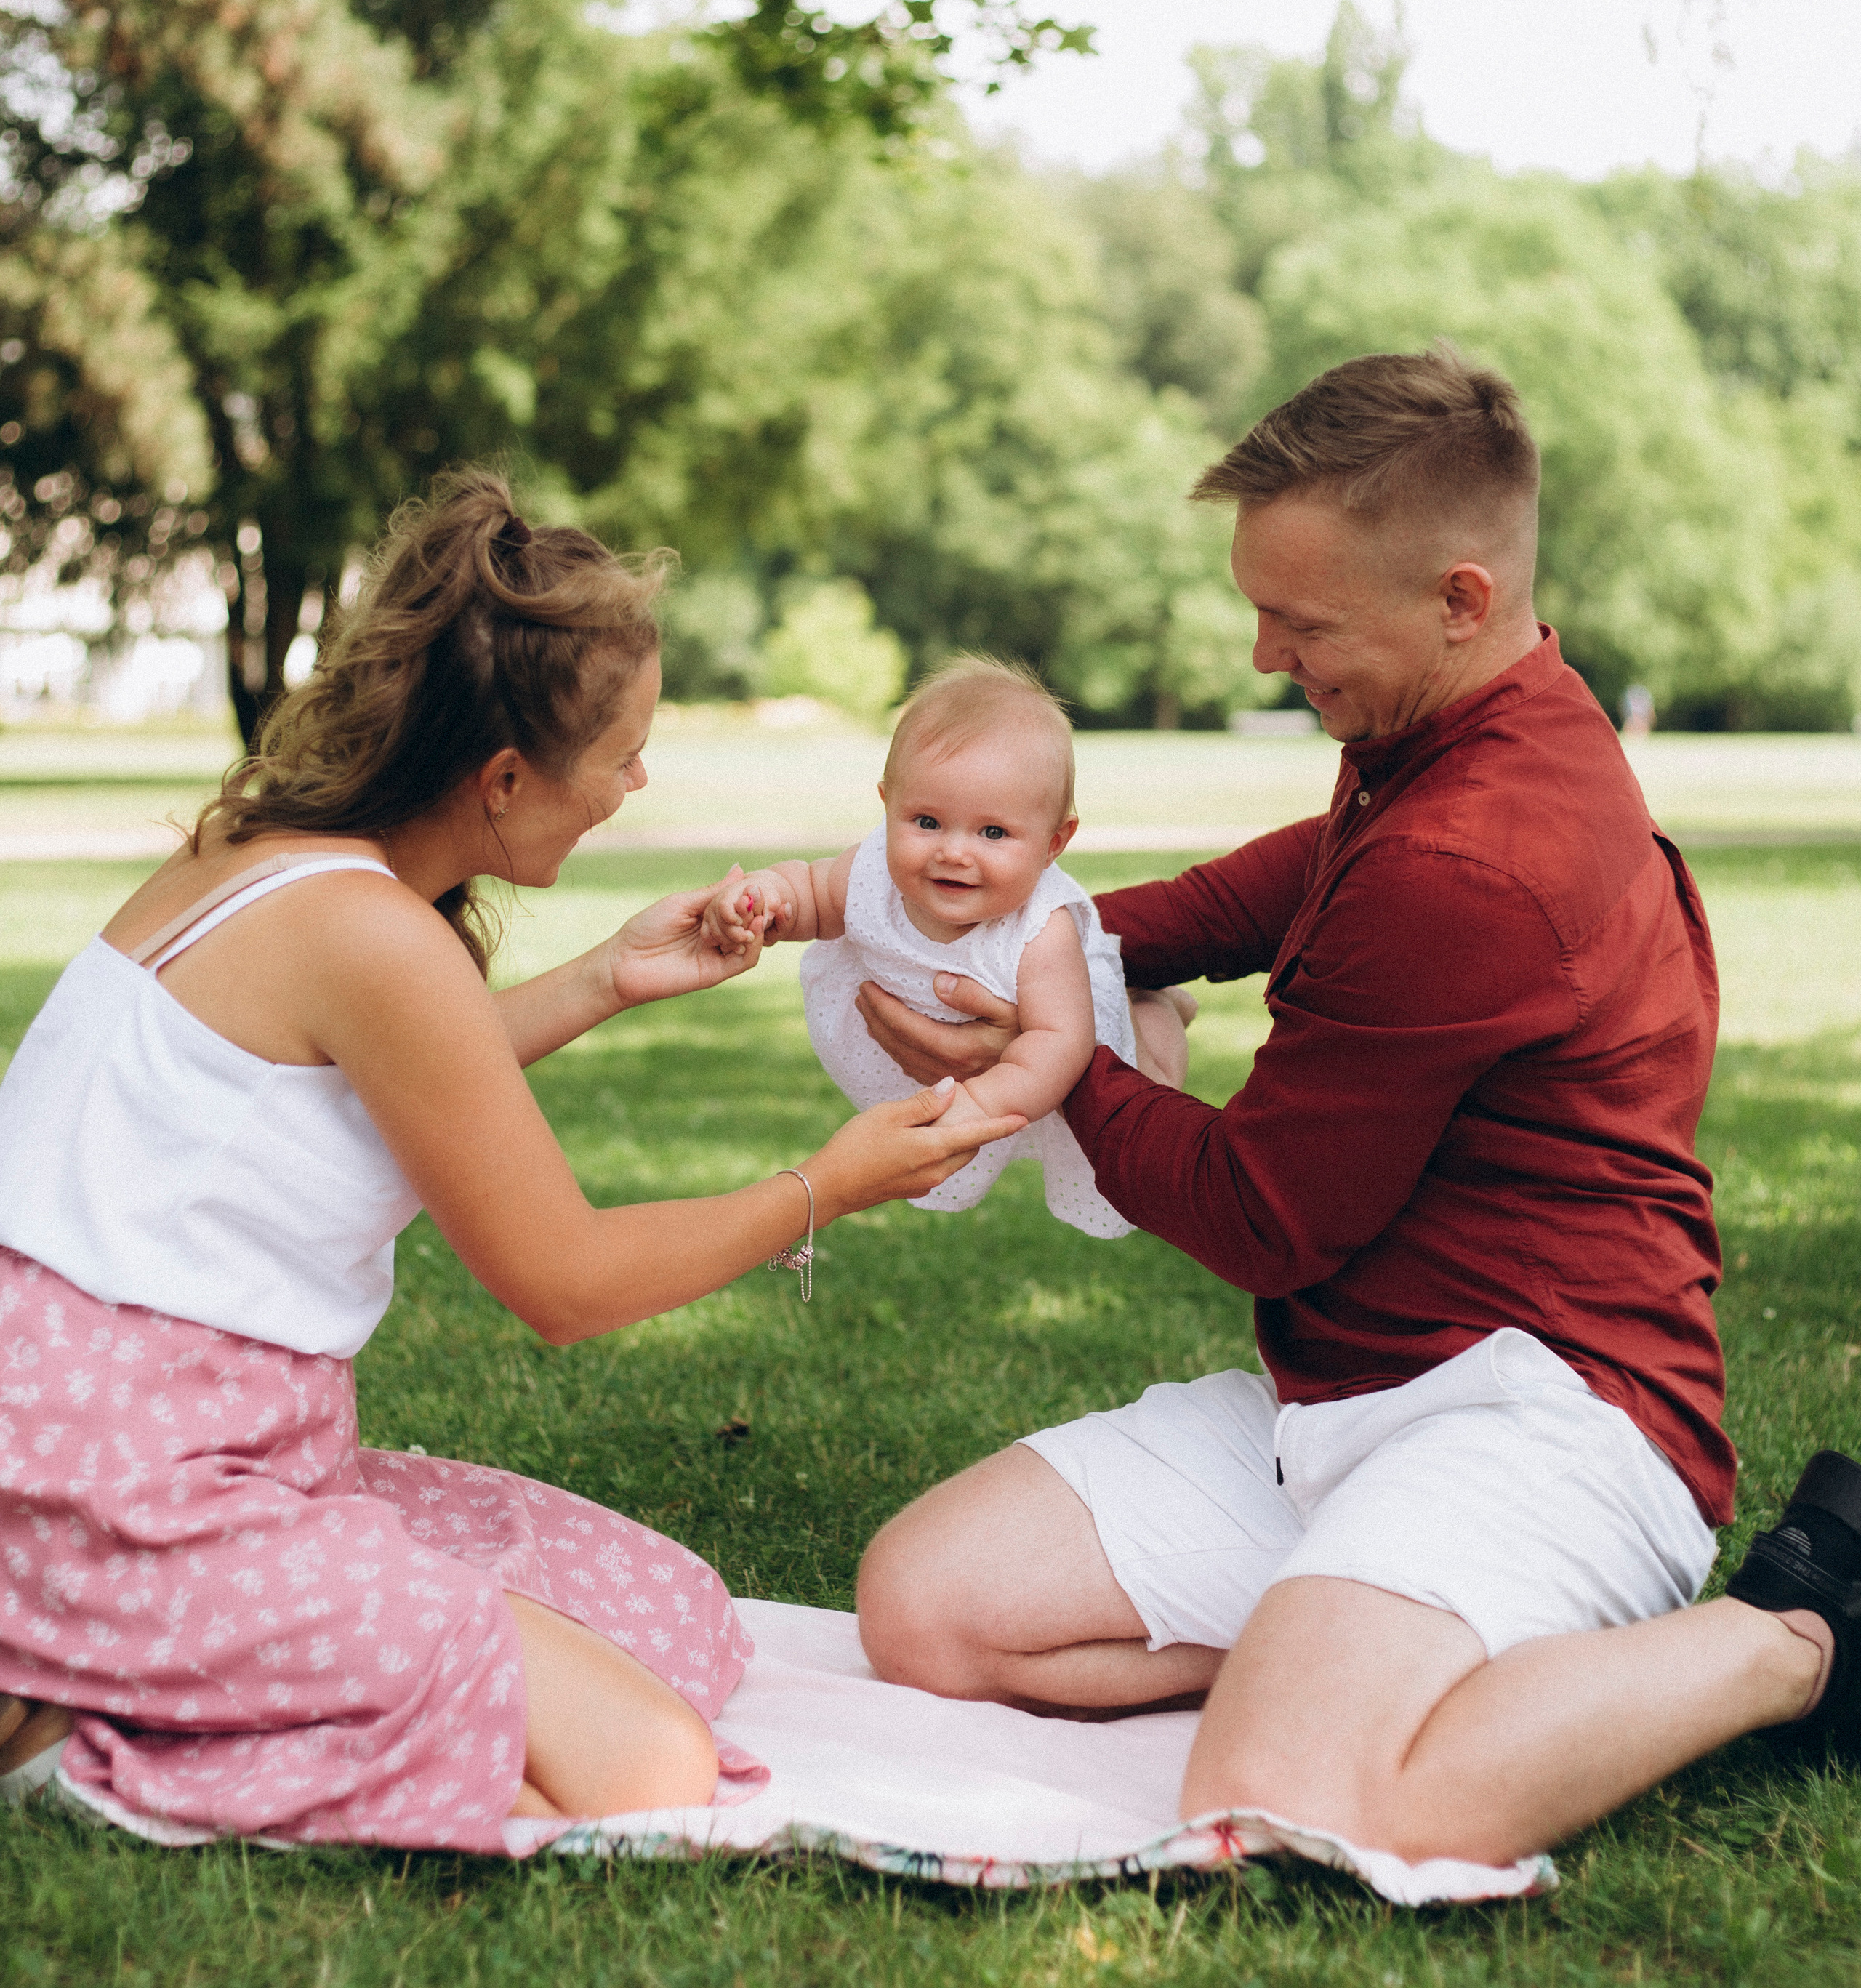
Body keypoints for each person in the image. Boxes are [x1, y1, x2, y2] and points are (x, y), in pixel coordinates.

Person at [851, 345, 1861, 1867]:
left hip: (1554, 1420)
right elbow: (1245, 893)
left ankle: (1793, 1637)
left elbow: (1267, 1217)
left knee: (1292, 1807)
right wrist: (996, 939)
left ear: (1458, 597)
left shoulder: (1475, 852)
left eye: (1299, 620)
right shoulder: (1424, 740)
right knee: (924, 1610)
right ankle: (1368, 1641)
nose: (1263, 654)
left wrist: (1055, 1064)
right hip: (1352, 1406)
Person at [0, 478, 1018, 1847]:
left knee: (671, 1613)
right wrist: (822, 1185)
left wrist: (608, 978)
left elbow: (366, 1083)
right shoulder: (371, 936)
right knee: (647, 1766)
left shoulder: (268, 860)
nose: (636, 782)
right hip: (112, 1490)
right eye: (624, 752)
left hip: (171, 1446)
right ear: (503, 781)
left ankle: (126, 1673)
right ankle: (72, 1724)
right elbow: (565, 1283)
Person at [700, 656, 1187, 1241]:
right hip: (942, 1038)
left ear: (1055, 842)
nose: (954, 852)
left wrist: (980, 1107)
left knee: (1149, 1075)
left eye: (993, 833)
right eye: (927, 821)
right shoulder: (871, 871)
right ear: (887, 806)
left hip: (1065, 1033)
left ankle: (1161, 1009)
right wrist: (765, 899)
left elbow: (1060, 1042)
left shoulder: (1042, 932)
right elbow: (809, 892)